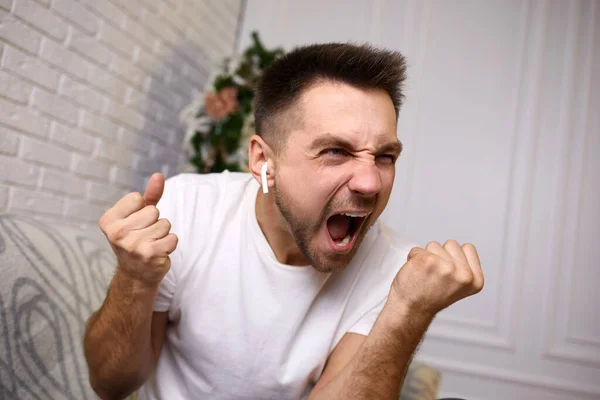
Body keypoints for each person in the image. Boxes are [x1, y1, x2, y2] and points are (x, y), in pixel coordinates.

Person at [83, 43, 484, 400]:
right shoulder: (186, 208)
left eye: (384, 157)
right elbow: (111, 384)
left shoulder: (397, 270)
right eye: (335, 151)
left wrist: (409, 311)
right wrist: (134, 277)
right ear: (262, 161)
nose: (370, 181)